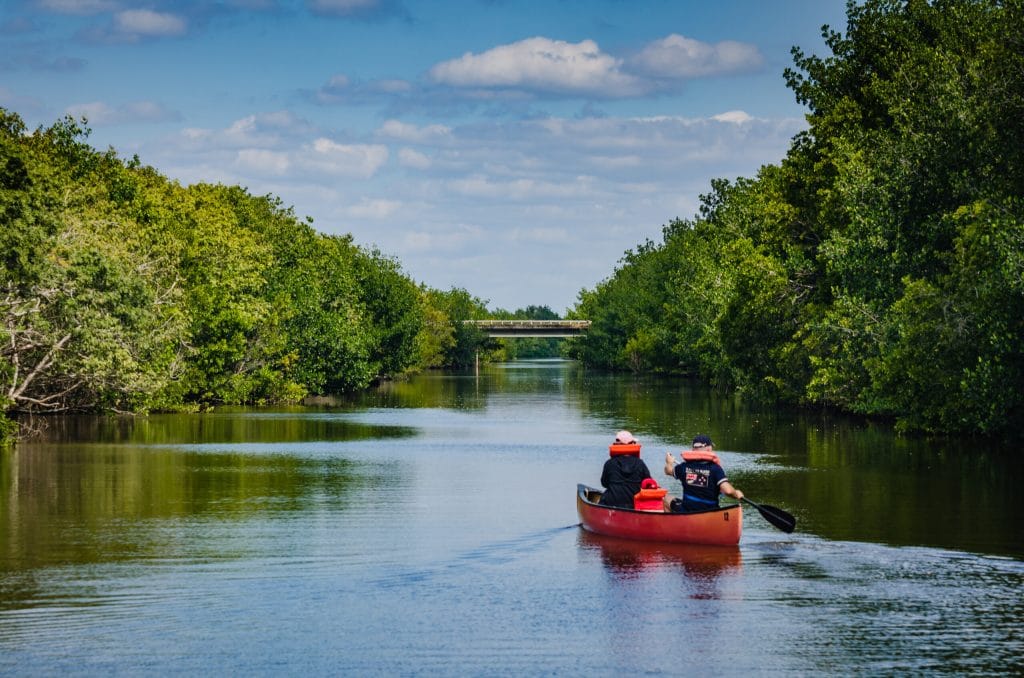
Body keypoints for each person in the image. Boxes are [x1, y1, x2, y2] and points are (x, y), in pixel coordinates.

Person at [662, 434, 743, 512]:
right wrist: (736, 493)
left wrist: (669, 462)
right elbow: (728, 491)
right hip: (711, 514)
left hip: (688, 512)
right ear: (708, 449)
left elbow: (668, 470)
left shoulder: (684, 467)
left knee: (666, 499)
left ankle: (674, 524)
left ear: (693, 449)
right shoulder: (715, 469)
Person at [599, 430, 652, 508]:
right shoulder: (640, 463)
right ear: (630, 445)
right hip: (633, 504)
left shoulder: (609, 463)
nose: (635, 444)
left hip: (611, 503)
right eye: (633, 442)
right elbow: (647, 484)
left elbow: (604, 483)